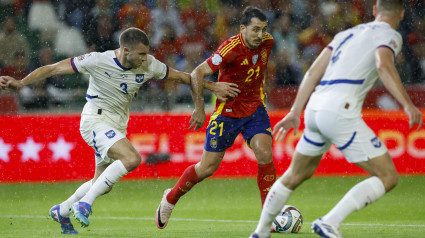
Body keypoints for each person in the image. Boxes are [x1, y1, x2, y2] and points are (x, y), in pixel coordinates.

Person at [0, 27, 240, 235]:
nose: (145, 58)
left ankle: (62, 210)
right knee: (132, 158)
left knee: (101, 183)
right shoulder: (96, 60)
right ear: (126, 50)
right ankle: (84, 205)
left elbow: (181, 77)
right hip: (95, 119)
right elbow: (52, 69)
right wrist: (21, 83)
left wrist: (211, 86)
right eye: (141, 54)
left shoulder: (149, 64)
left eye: (147, 53)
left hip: (116, 124)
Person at [250, 1, 424, 238]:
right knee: (388, 177)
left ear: (374, 11)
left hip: (315, 105)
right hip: (340, 109)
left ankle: (260, 232)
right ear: (401, 14)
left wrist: (295, 111)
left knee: (295, 175)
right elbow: (383, 64)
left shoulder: (346, 34)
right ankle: (330, 222)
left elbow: (312, 73)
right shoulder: (390, 34)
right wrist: (407, 104)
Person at [155, 6, 277, 229]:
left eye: (263, 29)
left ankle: (268, 217)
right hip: (227, 113)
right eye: (255, 30)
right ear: (243, 28)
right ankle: (170, 198)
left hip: (254, 108)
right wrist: (200, 108)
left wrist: (264, 82)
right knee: (207, 168)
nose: (260, 35)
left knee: (265, 152)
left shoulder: (267, 41)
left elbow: (263, 61)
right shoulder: (229, 49)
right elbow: (197, 73)